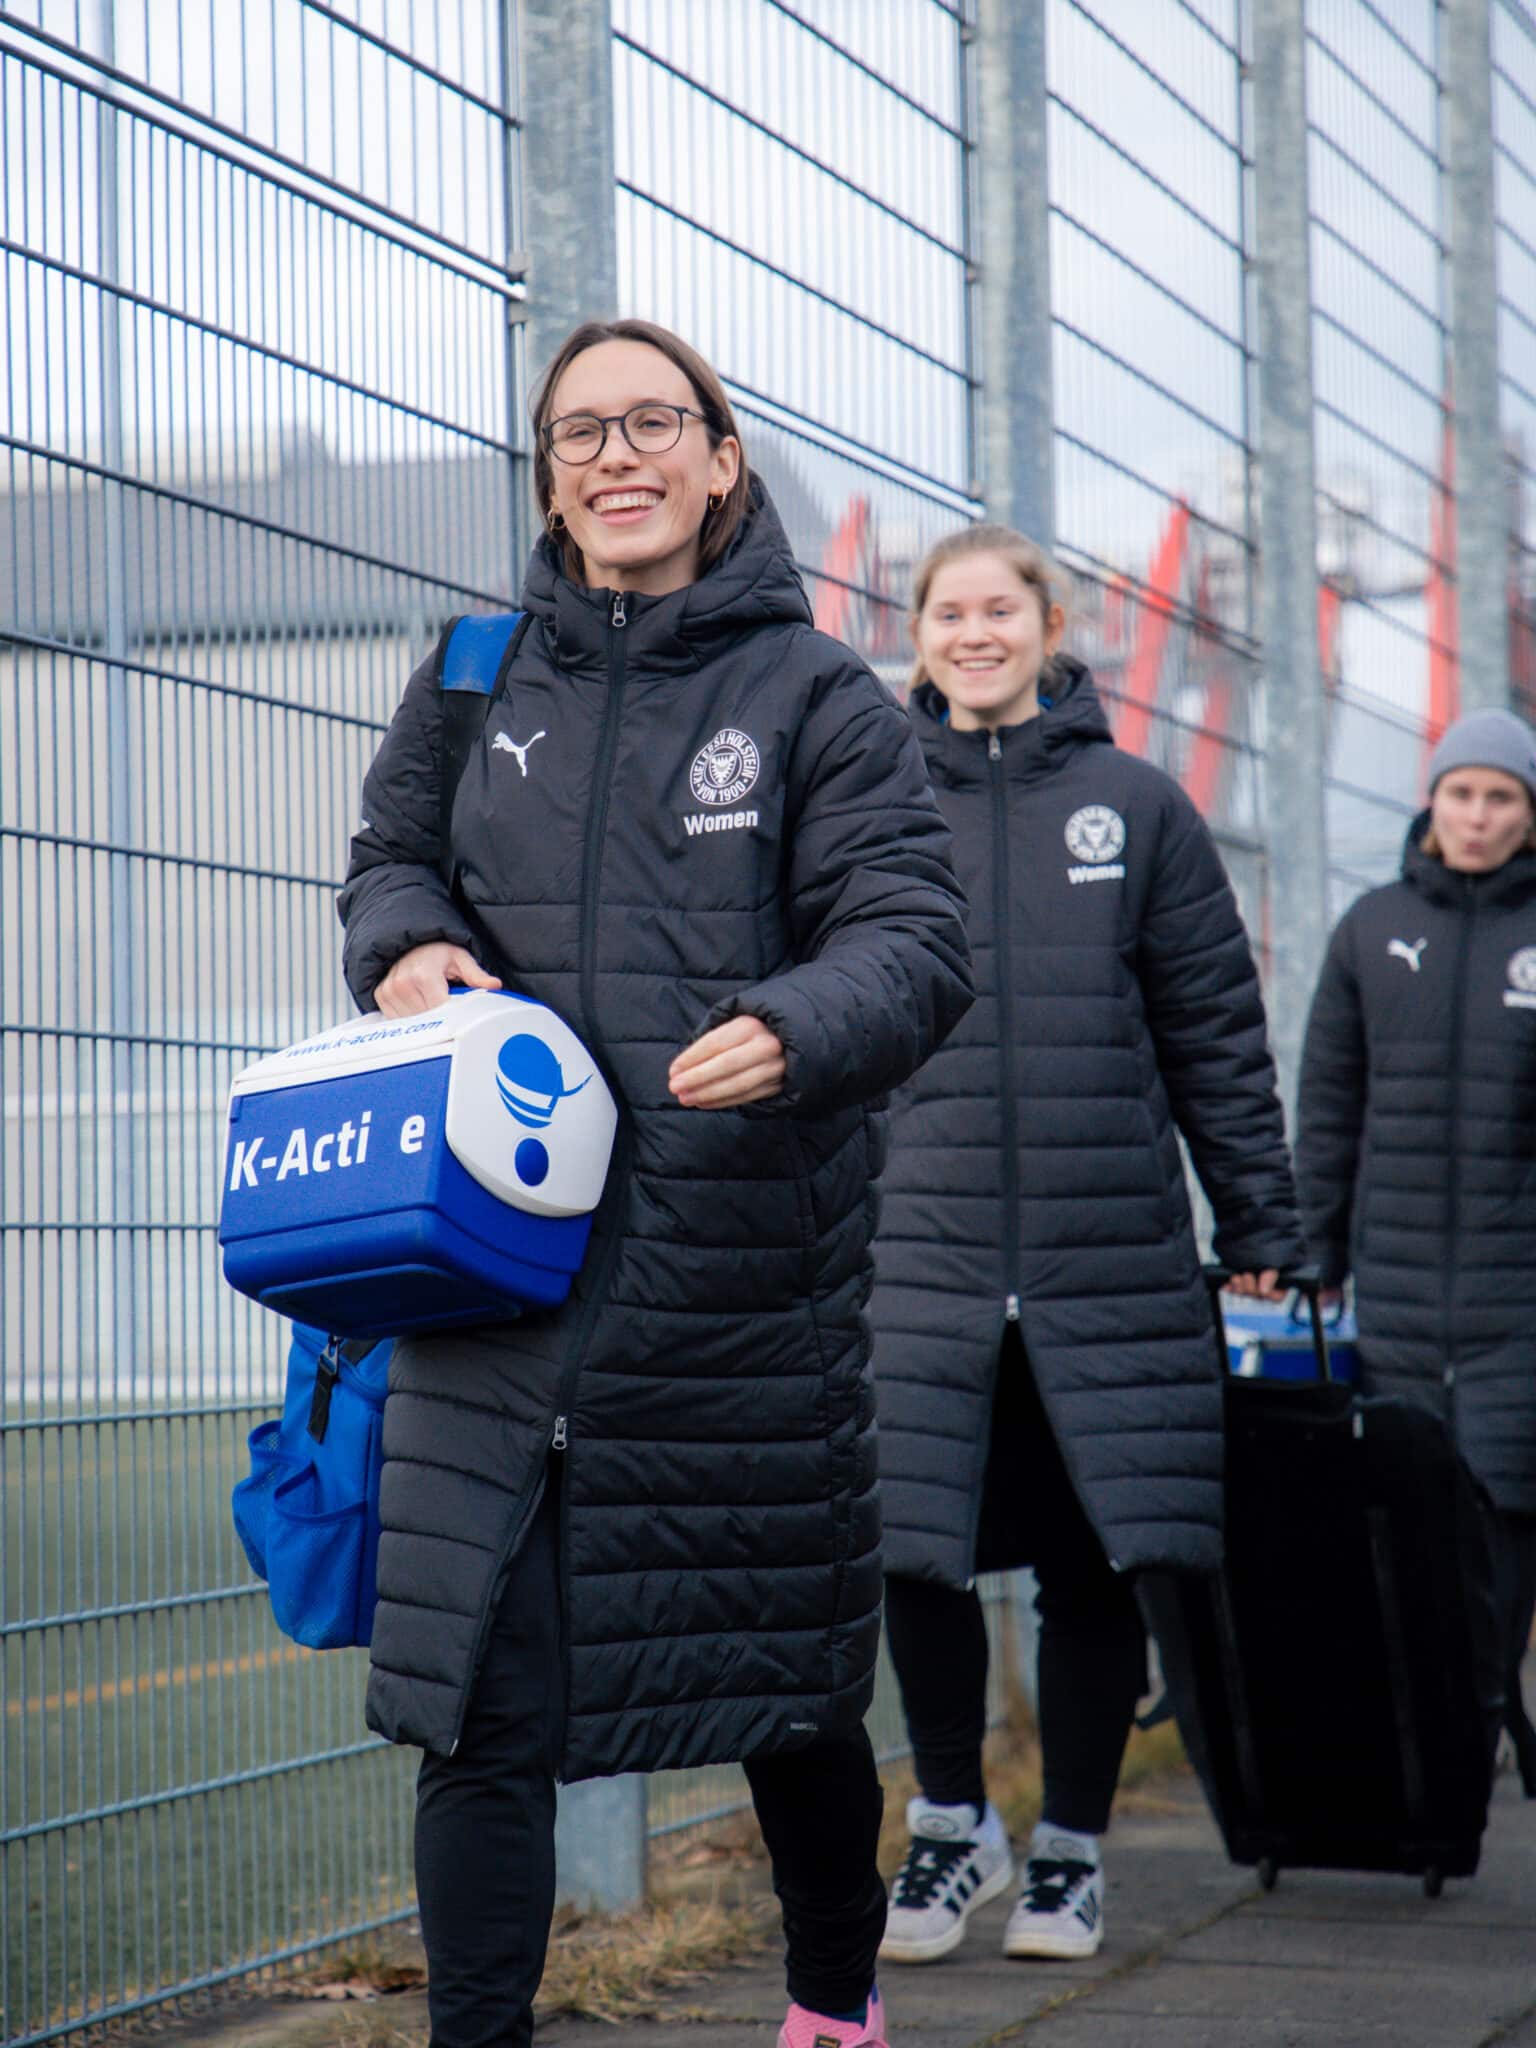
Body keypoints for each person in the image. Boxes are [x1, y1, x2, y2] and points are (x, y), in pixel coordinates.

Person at [337, 317, 973, 2048]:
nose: (612, 457)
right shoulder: (471, 669)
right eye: (576, 434)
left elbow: (913, 939)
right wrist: (401, 945)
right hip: (493, 1276)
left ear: (719, 459)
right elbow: (388, 853)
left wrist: (795, 1019)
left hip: (733, 1285)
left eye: (649, 424)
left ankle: (834, 2004)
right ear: (551, 475)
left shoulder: (820, 695)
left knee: (786, 1691)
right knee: (478, 1708)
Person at [866, 524, 1304, 1966]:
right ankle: (949, 1828)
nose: (975, 632)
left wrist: (1257, 1220)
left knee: (1091, 1566)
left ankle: (1068, 1854)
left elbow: (1212, 1032)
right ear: (918, 631)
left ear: (1053, 627)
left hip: (1102, 1259)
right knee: (913, 1553)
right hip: (914, 1261)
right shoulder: (865, 803)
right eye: (949, 610)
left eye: (1003, 609)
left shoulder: (1139, 806)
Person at [1297, 706, 1536, 1798]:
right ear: (1431, 801)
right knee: (1411, 1512)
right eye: (1462, 793)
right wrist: (1313, 1249)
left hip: (1514, 1300)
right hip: (1391, 1290)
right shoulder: (1370, 928)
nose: (1479, 815)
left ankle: (1487, 1712)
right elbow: (1330, 1102)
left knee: (1504, 1506)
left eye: (1502, 797)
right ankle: (1430, 1720)